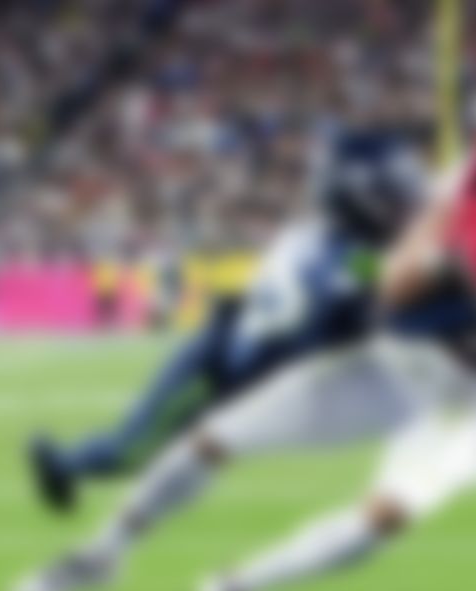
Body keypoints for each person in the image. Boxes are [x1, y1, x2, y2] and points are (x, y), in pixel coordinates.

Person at [11, 93, 476, 591]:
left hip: (475, 401)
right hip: (401, 366)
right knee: (215, 437)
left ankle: (234, 589)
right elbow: (391, 288)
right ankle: (102, 555)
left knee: (385, 520)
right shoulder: (472, 190)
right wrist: (451, 256)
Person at [26, 126, 428, 512]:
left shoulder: (328, 243)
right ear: (359, 198)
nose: (404, 206)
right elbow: (360, 302)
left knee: (173, 465)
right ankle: (59, 464)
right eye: (393, 197)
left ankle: (73, 470)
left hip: (247, 368)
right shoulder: (342, 259)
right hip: (219, 371)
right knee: (133, 452)